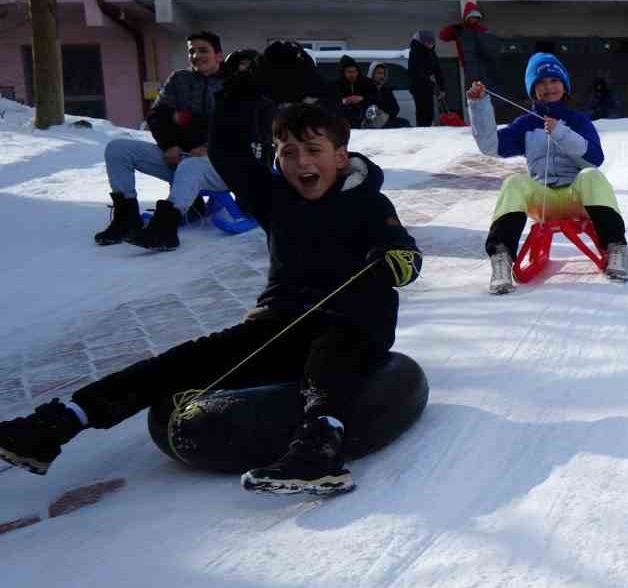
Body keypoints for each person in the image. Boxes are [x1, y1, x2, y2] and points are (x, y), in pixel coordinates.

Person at [0, 100, 422, 495]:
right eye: (290, 153)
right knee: (181, 361)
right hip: (279, 323)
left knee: (330, 355)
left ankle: (320, 455)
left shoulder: (367, 201)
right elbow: (226, 151)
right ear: (277, 158)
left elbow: (405, 253)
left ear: (340, 157)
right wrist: (241, 90)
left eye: (314, 150)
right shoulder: (275, 198)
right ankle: (55, 426)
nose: (303, 163)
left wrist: (392, 260)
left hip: (352, 324)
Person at [468, 52, 628, 292]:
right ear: (533, 90)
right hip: (543, 201)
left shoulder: (578, 121)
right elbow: (490, 146)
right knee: (514, 182)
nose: (548, 87)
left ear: (564, 86)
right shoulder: (525, 125)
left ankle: (615, 246)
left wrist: (560, 133)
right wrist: (480, 106)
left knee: (591, 176)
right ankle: (501, 258)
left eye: (554, 81)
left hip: (576, 198)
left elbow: (595, 158)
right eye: (541, 83)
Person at [94, 30, 230, 251]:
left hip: (219, 165)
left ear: (219, 55)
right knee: (118, 149)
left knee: (191, 165)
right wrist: (170, 145)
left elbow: (237, 126)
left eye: (203, 50)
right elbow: (157, 116)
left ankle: (165, 230)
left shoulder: (232, 85)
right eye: (192, 51)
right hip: (179, 158)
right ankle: (127, 218)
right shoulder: (179, 80)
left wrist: (209, 147)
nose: (196, 56)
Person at [440, 1, 499, 111]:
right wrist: (454, 26)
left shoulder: (481, 29)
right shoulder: (459, 30)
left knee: (484, 91)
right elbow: (443, 36)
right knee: (471, 91)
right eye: (473, 17)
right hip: (468, 66)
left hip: (483, 66)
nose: (475, 20)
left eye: (477, 17)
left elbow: (490, 45)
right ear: (467, 17)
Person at [407, 29, 446, 127]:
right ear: (422, 42)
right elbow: (414, 71)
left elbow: (438, 70)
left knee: (430, 114)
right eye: (428, 43)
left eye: (432, 43)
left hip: (430, 88)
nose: (431, 45)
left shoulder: (431, 53)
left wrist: (442, 88)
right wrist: (428, 78)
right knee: (423, 114)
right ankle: (423, 132)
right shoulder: (415, 52)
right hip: (420, 89)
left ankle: (429, 130)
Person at [335, 55, 378, 128]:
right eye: (349, 72)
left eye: (354, 71)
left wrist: (362, 98)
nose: (352, 74)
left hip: (366, 122)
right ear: (343, 72)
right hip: (344, 123)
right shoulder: (337, 85)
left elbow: (377, 98)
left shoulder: (367, 83)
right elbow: (330, 101)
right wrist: (344, 101)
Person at [365, 63, 409, 129]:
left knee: (405, 123)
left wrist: (386, 113)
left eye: (383, 73)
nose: (382, 76)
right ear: (372, 74)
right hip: (370, 122)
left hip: (385, 119)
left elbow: (395, 108)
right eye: (379, 73)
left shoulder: (386, 89)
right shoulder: (366, 88)